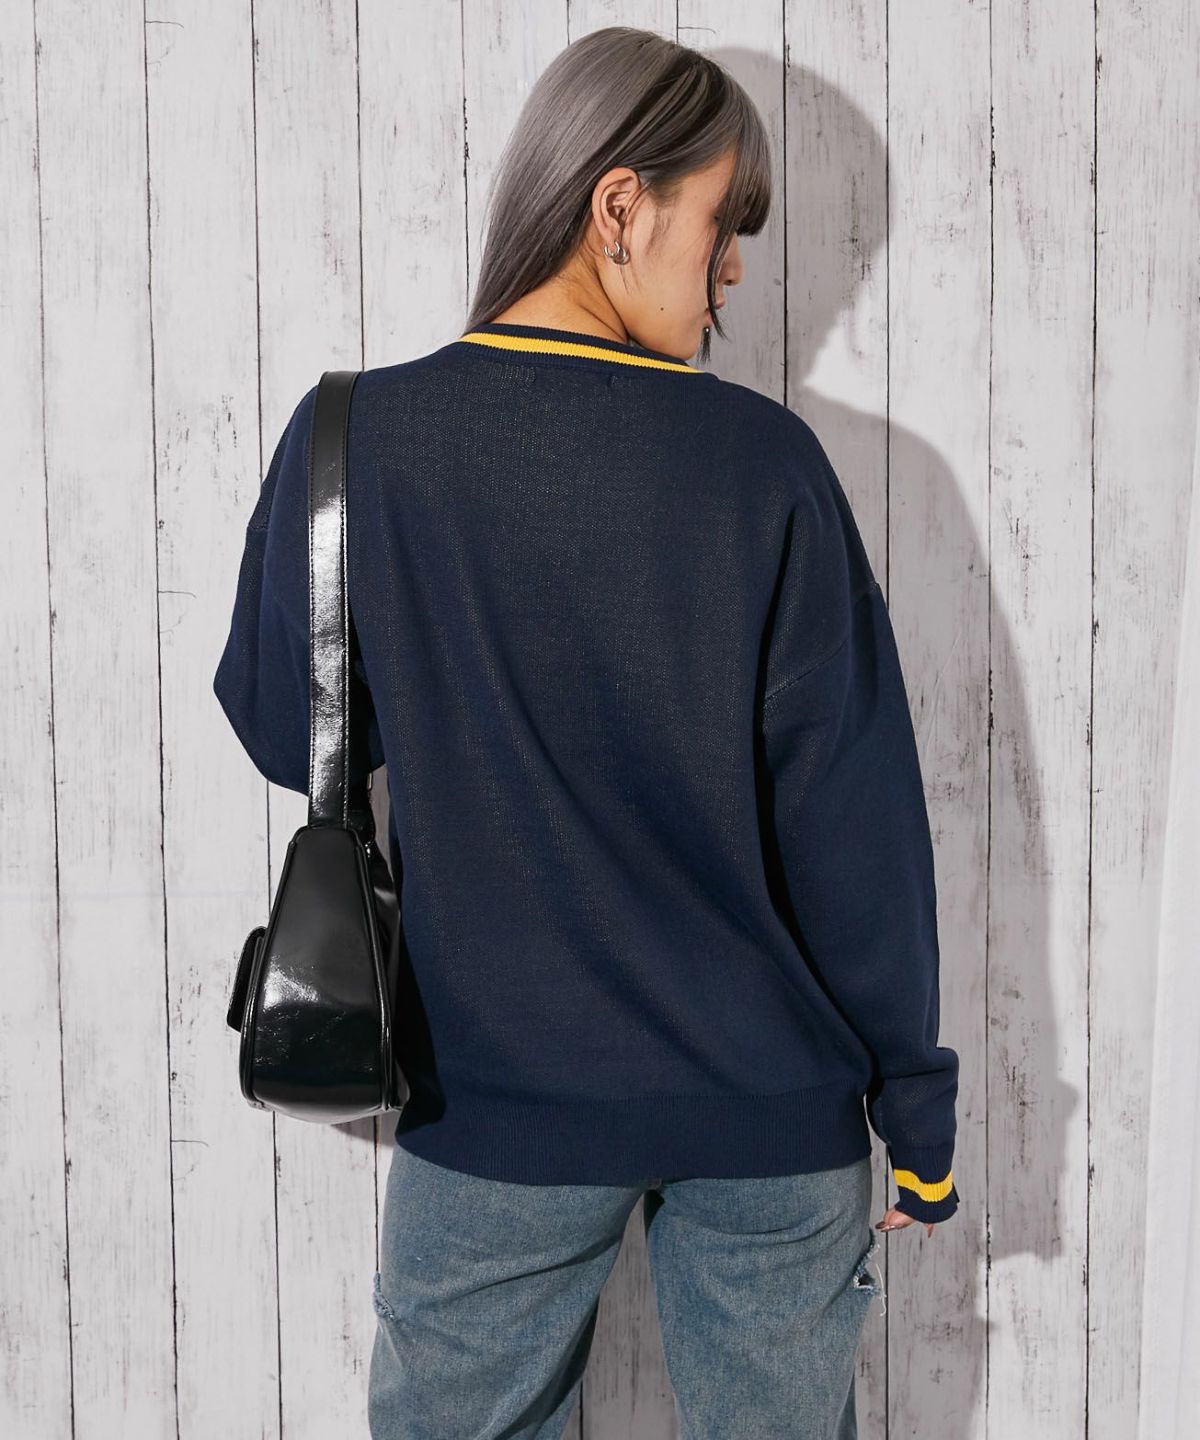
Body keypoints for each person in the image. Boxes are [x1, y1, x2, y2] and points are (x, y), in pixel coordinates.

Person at [212, 24, 960, 1440]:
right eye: (722, 223)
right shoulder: (766, 468)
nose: (733, 272)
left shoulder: (359, 439)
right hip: (770, 1116)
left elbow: (283, 730)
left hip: (492, 1110)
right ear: (620, 205)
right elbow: (858, 831)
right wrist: (915, 1115)